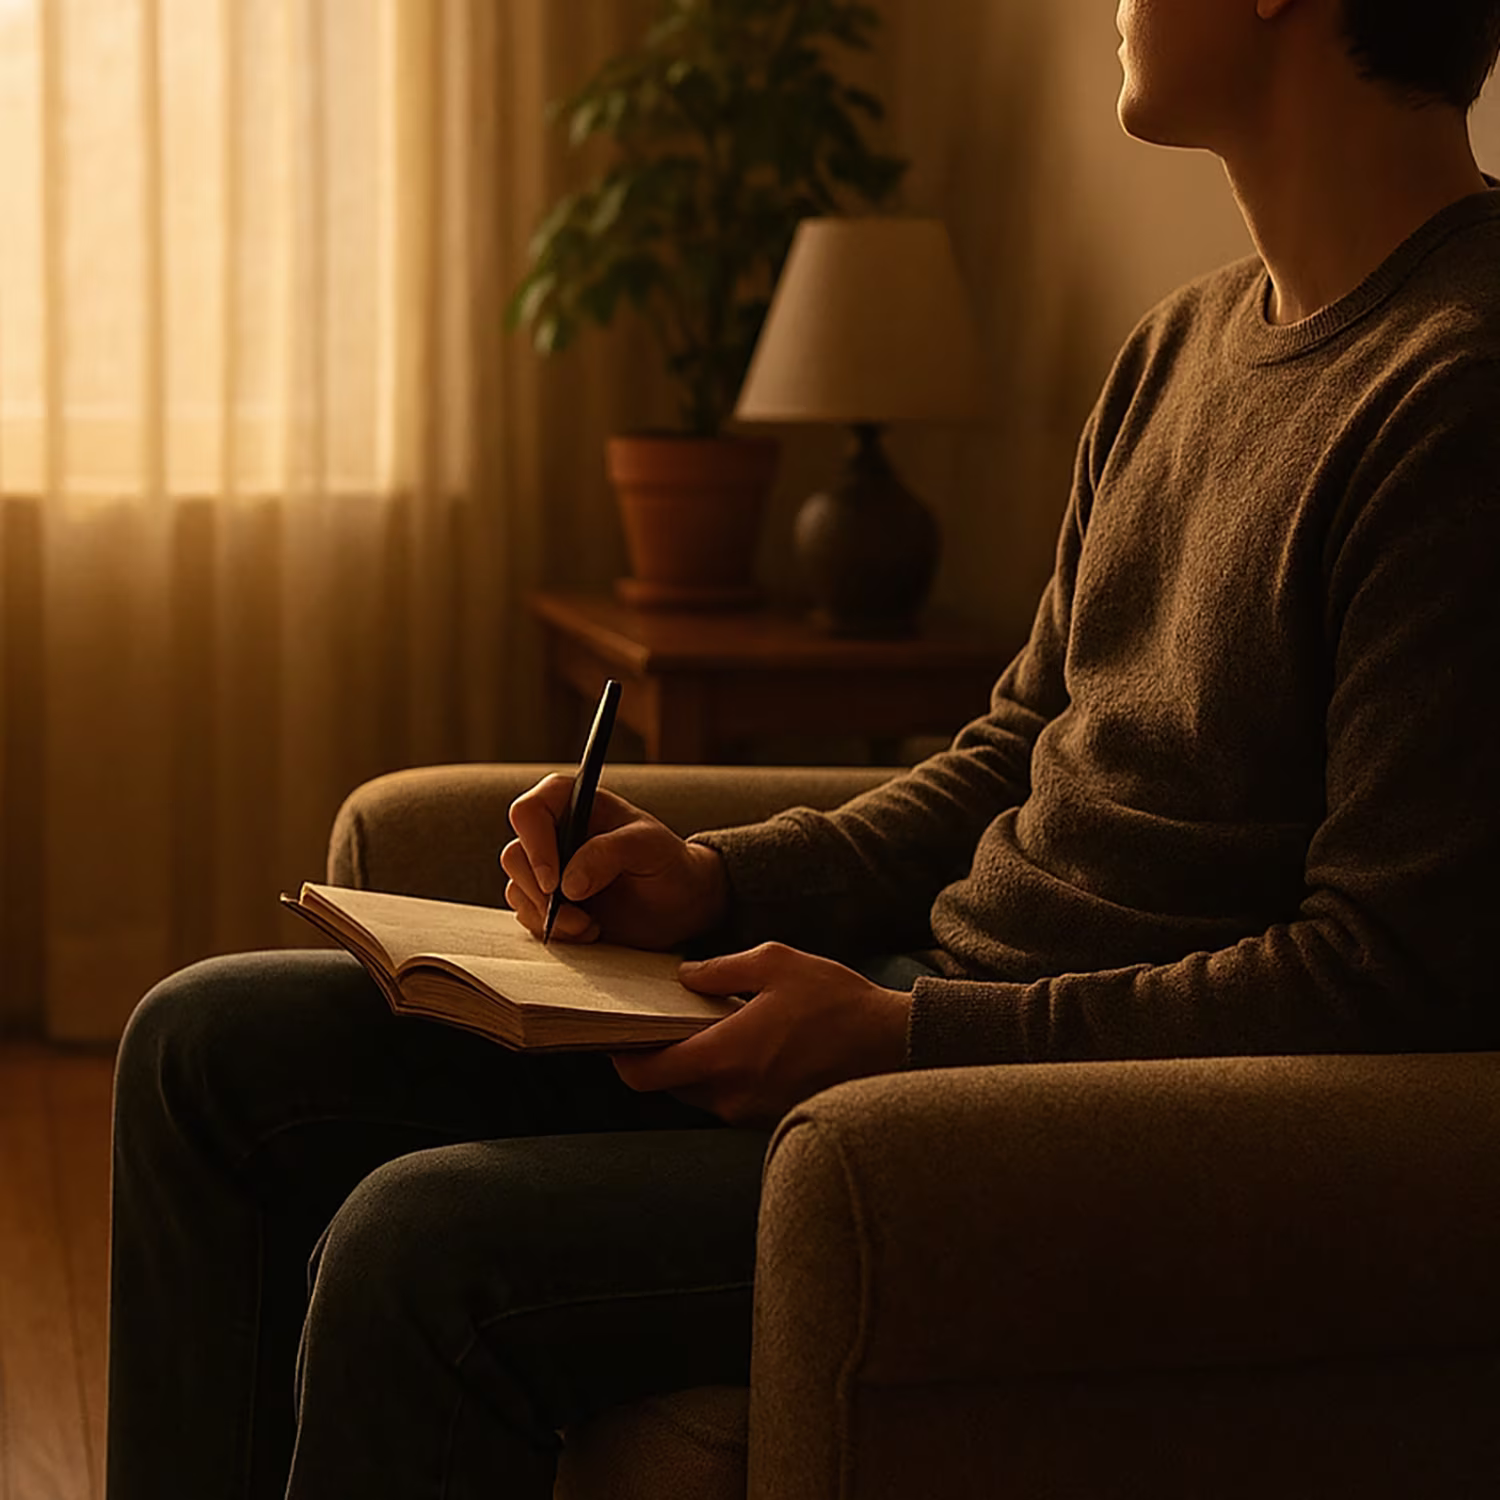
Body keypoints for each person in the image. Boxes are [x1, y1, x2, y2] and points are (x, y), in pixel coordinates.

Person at [107, 2, 1500, 1497]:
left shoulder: (1457, 393)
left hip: (1051, 1128)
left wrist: (903, 1044)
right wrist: (712, 881)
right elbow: (1013, 752)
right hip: (921, 1033)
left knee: (418, 1251)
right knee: (204, 1049)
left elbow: (1390, 976)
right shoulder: (1183, 345)